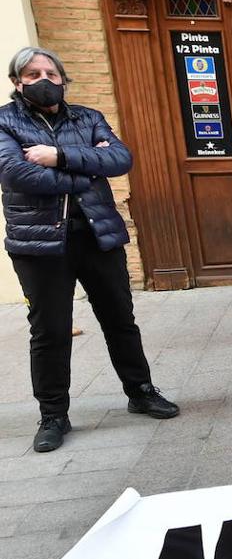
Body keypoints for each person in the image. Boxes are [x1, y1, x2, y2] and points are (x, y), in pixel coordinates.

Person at [0, 47, 179, 452]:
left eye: (50, 72)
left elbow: (119, 159)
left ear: (63, 79)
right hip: (39, 244)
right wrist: (85, 174)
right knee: (50, 331)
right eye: (32, 73)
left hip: (98, 235)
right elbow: (16, 173)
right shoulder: (4, 121)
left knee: (120, 318)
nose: (43, 79)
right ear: (17, 82)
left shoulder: (88, 117)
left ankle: (141, 390)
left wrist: (58, 156)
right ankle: (53, 415)